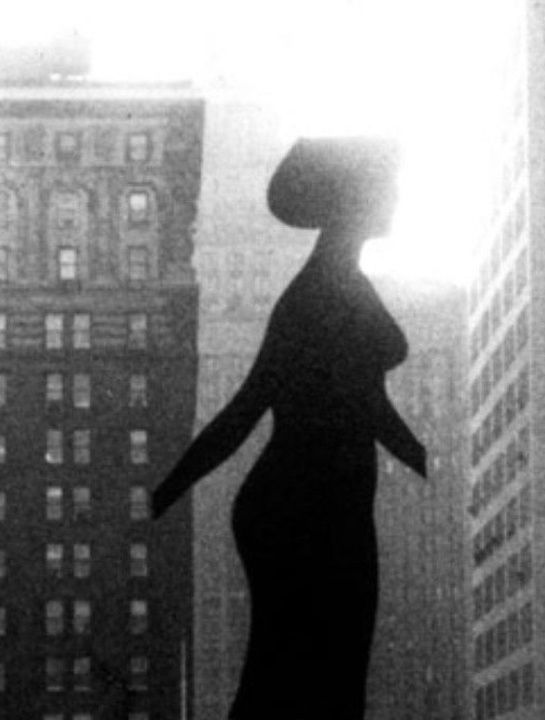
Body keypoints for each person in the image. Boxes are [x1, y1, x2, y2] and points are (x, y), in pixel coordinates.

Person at [152, 136, 428, 720]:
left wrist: (426, 462)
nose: (399, 197)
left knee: (313, 677)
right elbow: (248, 408)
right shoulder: (318, 294)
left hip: (321, 504)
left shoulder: (340, 285)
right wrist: (164, 493)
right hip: (306, 508)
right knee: (309, 679)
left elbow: (366, 402)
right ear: (357, 197)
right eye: (390, 185)